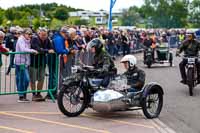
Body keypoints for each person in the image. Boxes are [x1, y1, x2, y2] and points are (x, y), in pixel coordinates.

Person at [30, 27, 55, 101]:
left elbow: (52, 48)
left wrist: (45, 50)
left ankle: (39, 93)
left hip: (42, 62)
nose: (44, 36)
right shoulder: (34, 39)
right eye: (42, 35)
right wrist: (47, 51)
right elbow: (37, 49)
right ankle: (34, 94)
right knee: (33, 79)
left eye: (45, 35)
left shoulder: (47, 40)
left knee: (42, 79)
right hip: (33, 62)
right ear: (39, 34)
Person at [15, 28, 38, 102]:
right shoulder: (20, 39)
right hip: (20, 62)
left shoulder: (29, 40)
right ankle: (21, 96)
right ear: (24, 34)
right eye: (28, 34)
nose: (30, 35)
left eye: (31, 34)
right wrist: (33, 51)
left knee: (24, 79)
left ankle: (23, 95)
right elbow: (23, 49)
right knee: (24, 79)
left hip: (26, 62)